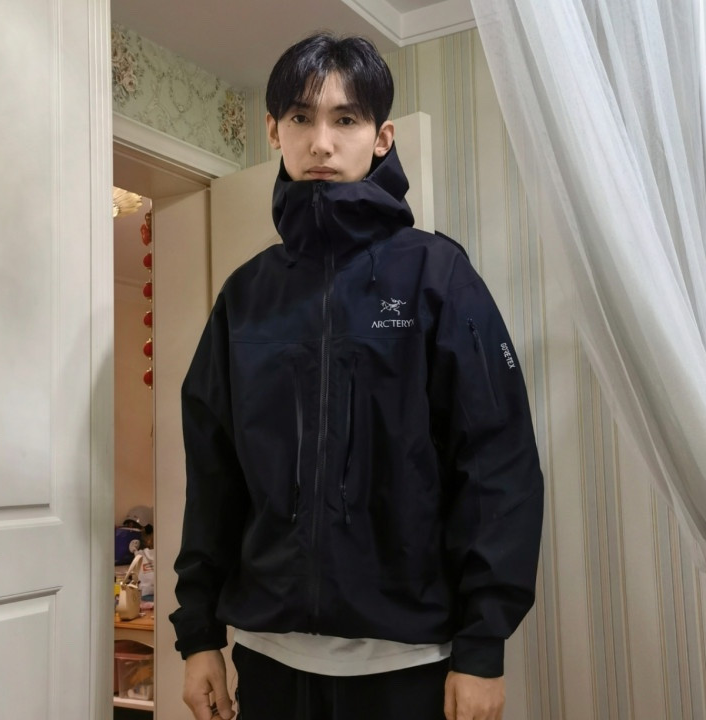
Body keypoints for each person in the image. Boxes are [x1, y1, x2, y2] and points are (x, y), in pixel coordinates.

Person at [169, 32, 543, 720]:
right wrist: (199, 637)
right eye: (301, 118)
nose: (321, 142)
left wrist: (482, 646)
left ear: (381, 138)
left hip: (408, 662)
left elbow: (497, 465)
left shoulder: (437, 276)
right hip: (267, 655)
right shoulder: (246, 296)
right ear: (274, 131)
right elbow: (213, 473)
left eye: (346, 119)